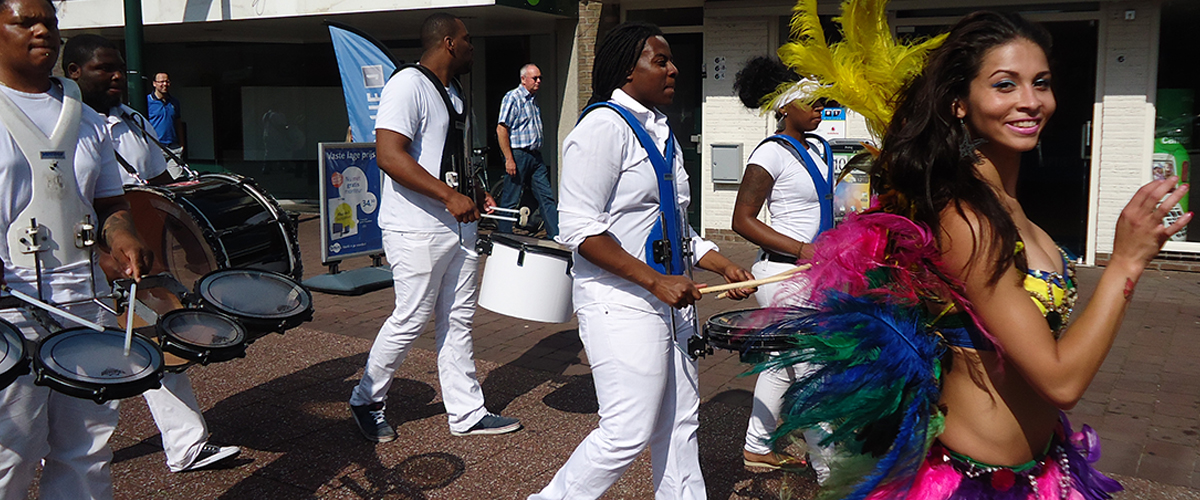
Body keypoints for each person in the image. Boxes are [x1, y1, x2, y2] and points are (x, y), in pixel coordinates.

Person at [763, 9, 1182, 499]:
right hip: (970, 483)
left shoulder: (1006, 206)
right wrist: (1126, 263)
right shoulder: (965, 218)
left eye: (1040, 83)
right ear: (960, 102)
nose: (1030, 101)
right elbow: (1061, 381)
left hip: (1042, 471)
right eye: (1005, 85)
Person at [529, 22, 755, 500]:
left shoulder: (661, 130)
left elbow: (675, 225)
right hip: (620, 302)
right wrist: (656, 281)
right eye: (661, 61)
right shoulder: (601, 129)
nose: (674, 69)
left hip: (671, 306)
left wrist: (720, 264)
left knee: (680, 422)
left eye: (671, 60)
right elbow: (579, 229)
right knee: (627, 431)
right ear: (627, 72)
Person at [63, 33, 241, 474]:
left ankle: (186, 446)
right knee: (72, 366)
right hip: (91, 264)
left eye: (120, 68)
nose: (118, 77)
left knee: (158, 344)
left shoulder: (133, 118)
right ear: (74, 73)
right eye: (105, 69)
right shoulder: (68, 127)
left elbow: (159, 182)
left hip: (141, 260)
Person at [0, 0, 154, 497]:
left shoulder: (85, 118)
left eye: (49, 21)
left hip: (85, 303)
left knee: (87, 448)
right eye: (25, 22)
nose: (42, 31)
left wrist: (124, 236)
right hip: (10, 308)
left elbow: (109, 203)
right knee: (11, 451)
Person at [348, 12, 520, 443]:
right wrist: (447, 195)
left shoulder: (454, 91)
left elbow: (445, 157)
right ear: (447, 43)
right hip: (416, 228)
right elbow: (389, 155)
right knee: (411, 318)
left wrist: (475, 192)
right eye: (467, 39)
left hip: (457, 227)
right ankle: (366, 400)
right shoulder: (407, 85)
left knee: (458, 319)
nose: (472, 47)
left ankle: (466, 413)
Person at [729, 55, 831, 479]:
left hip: (815, 275)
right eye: (811, 101)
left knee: (781, 366)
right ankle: (833, 472)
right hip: (784, 277)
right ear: (785, 106)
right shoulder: (770, 153)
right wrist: (803, 250)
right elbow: (742, 220)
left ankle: (756, 446)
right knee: (813, 371)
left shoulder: (821, 147)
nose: (820, 107)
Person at [495, 63, 559, 238]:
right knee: (510, 198)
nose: (538, 81)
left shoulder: (533, 99)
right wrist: (509, 158)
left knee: (546, 196)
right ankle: (505, 236)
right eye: (535, 78)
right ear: (523, 79)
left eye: (540, 78)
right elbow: (502, 129)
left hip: (535, 156)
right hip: (519, 154)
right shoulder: (513, 98)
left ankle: (556, 235)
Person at [146, 71, 185, 178]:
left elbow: (178, 122)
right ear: (154, 83)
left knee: (177, 180)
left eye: (167, 81)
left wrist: (182, 144)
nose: (164, 84)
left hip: (173, 148)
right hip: (156, 148)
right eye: (161, 82)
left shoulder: (174, 102)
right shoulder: (147, 102)